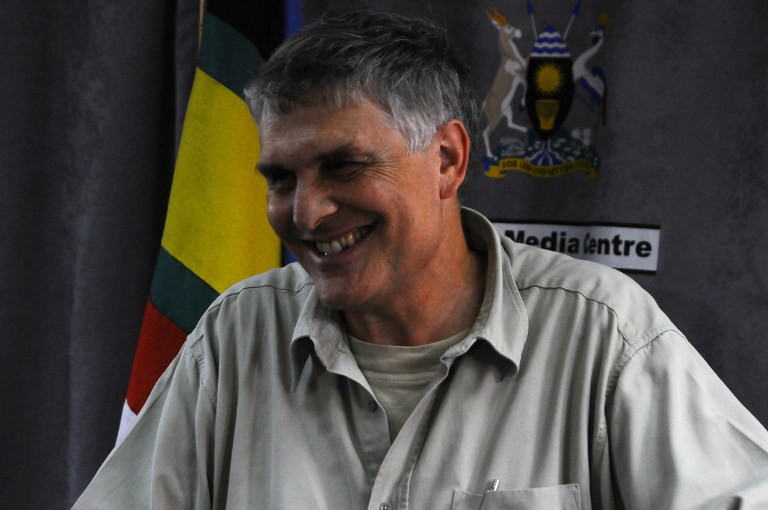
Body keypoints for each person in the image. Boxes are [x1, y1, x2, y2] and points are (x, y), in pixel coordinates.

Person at [74, 10, 768, 509]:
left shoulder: (604, 336)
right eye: (281, 179)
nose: (307, 212)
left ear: (448, 159)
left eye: (343, 166)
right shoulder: (233, 339)